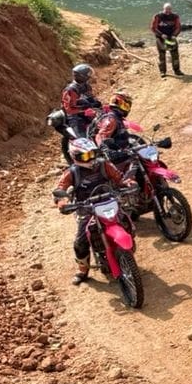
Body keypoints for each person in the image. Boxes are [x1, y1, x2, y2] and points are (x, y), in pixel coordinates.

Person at [52, 138, 133, 286]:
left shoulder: (104, 164)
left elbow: (119, 178)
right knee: (81, 241)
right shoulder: (72, 173)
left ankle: (127, 252)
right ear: (75, 157)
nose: (90, 158)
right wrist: (61, 202)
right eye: (85, 156)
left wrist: (127, 182)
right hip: (86, 208)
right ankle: (83, 270)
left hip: (109, 201)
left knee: (127, 222)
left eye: (92, 154)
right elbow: (60, 188)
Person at [92, 90, 138, 166]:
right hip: (116, 158)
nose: (128, 107)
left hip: (123, 152)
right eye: (127, 104)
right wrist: (106, 150)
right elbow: (100, 136)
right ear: (120, 103)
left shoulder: (117, 118)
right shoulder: (111, 119)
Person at [60, 63, 101, 139]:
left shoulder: (86, 86)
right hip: (75, 117)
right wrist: (84, 108)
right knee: (83, 139)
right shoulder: (71, 89)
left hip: (86, 113)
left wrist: (95, 103)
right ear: (82, 76)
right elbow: (69, 109)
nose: (89, 76)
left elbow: (90, 97)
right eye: (88, 74)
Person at [151, 3, 184, 77]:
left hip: (171, 37)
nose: (168, 11)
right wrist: (161, 35)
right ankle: (162, 71)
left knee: (175, 54)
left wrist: (174, 35)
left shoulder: (175, 16)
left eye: (169, 9)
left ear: (171, 9)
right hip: (161, 38)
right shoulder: (158, 16)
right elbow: (153, 28)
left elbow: (178, 27)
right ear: (163, 9)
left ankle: (177, 70)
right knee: (162, 55)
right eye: (166, 9)